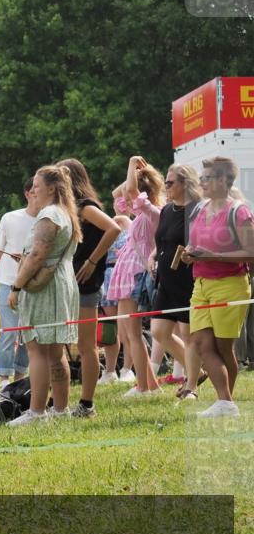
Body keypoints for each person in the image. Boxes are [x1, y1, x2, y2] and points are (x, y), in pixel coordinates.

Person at [7, 165, 82, 426]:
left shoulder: (50, 214)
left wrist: (16, 286)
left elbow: (38, 254)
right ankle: (60, 410)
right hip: (61, 282)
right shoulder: (65, 213)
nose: (32, 191)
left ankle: (36, 412)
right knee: (54, 351)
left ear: (51, 188)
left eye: (37, 187)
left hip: (46, 288)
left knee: (37, 348)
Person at [183, 156, 254, 417]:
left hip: (230, 285)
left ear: (223, 180)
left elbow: (251, 252)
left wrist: (214, 256)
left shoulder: (239, 211)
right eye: (201, 178)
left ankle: (225, 402)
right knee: (201, 343)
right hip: (201, 284)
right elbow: (197, 244)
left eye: (207, 178)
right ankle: (225, 402)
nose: (201, 182)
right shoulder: (200, 209)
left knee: (224, 348)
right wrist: (190, 253)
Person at [56, 158, 122, 418]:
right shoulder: (72, 208)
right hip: (73, 282)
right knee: (73, 345)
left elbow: (114, 228)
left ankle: (87, 403)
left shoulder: (85, 207)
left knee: (86, 346)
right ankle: (64, 402)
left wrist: (93, 261)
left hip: (86, 284)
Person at [108, 155, 165, 397]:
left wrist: (132, 163)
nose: (129, 200)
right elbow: (117, 194)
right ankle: (150, 385)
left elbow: (129, 191)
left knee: (133, 333)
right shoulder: (142, 212)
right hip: (128, 271)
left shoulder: (153, 211)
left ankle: (143, 386)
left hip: (136, 272)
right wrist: (137, 172)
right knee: (129, 333)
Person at [148, 164, 203, 401]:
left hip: (186, 280)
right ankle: (197, 372)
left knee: (189, 336)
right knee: (158, 332)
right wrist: (153, 255)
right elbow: (162, 240)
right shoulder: (167, 210)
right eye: (166, 182)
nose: (166, 187)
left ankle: (191, 386)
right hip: (166, 281)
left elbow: (203, 241)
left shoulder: (197, 210)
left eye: (170, 183)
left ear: (185, 183)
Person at [0, 178, 37, 384]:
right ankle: (4, 378)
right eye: (34, 190)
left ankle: (20, 375)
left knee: (27, 333)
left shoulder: (46, 219)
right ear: (27, 193)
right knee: (9, 331)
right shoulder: (9, 218)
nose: (37, 194)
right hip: (8, 282)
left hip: (34, 283)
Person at [98, 216, 133, 383]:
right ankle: (110, 371)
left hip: (124, 276)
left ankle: (127, 369)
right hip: (106, 278)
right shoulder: (104, 225)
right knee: (110, 328)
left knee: (127, 328)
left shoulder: (129, 224)